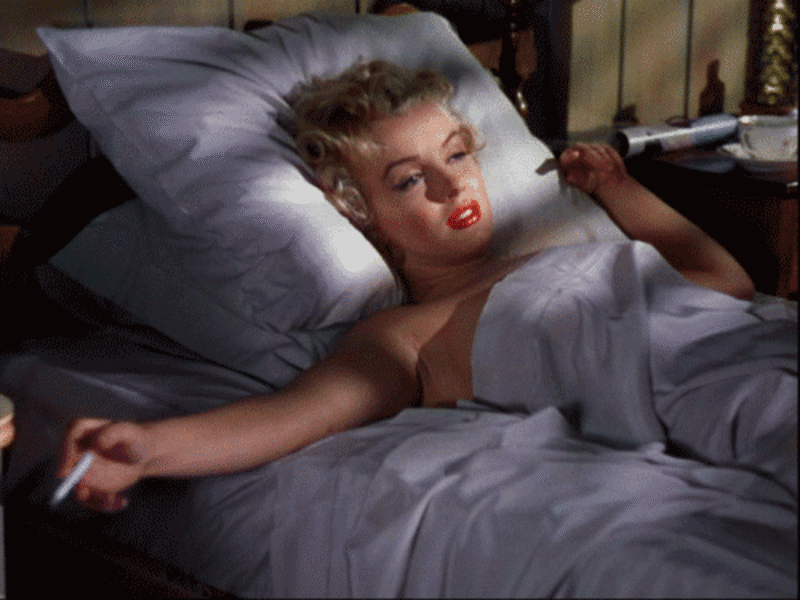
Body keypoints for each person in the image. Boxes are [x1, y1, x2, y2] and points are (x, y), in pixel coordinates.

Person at [58, 60, 764, 513]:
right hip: (711, 396)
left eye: (456, 155)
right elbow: (296, 416)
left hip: (751, 351)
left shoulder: (562, 255)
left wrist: (617, 187)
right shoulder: (403, 334)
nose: (453, 186)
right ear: (358, 211)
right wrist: (146, 448)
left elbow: (725, 285)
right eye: (407, 180)